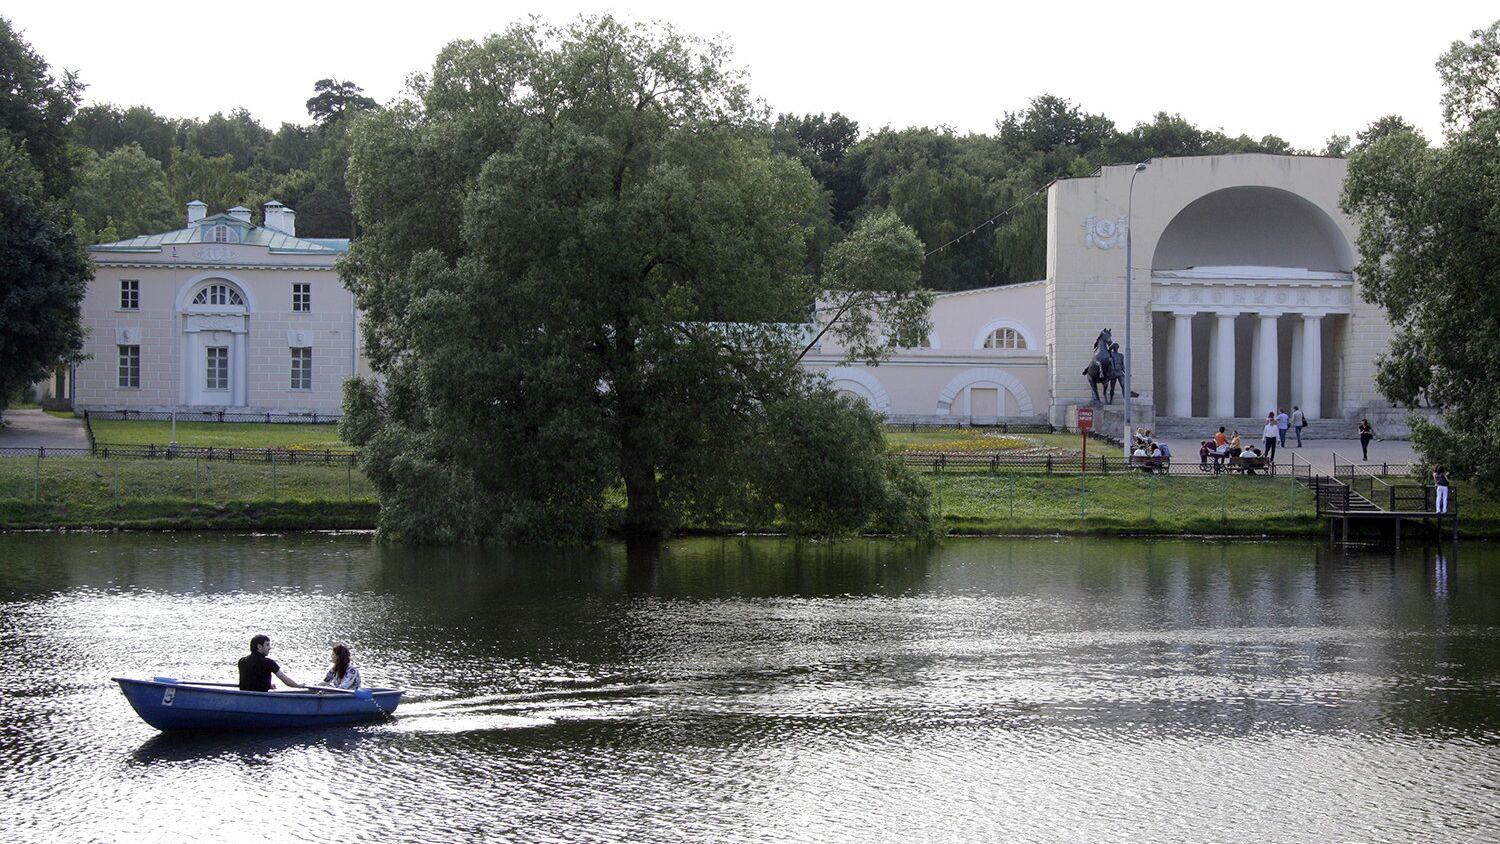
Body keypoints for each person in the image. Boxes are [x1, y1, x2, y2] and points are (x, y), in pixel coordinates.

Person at [238, 634, 305, 692]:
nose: (270, 648)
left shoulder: (242, 661)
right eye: (267, 645)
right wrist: (298, 686)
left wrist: (267, 685)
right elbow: (286, 680)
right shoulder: (268, 663)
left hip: (244, 699)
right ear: (259, 646)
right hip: (261, 700)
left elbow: (251, 679)